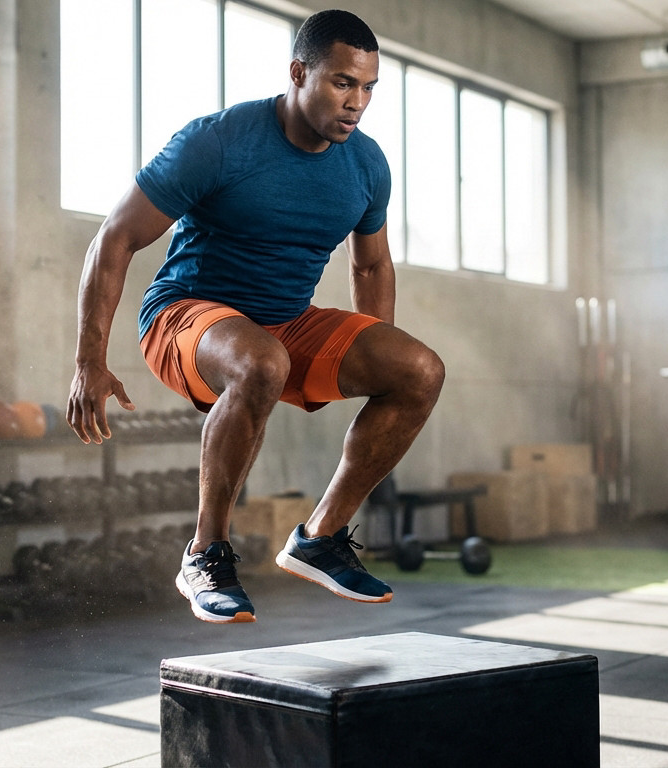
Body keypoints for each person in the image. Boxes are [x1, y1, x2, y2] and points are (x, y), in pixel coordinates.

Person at [66, 9, 444, 624]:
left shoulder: (367, 165)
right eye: (343, 82)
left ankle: (321, 537)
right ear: (299, 73)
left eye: (369, 87)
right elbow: (114, 239)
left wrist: (376, 355)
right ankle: (204, 554)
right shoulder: (217, 141)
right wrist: (89, 362)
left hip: (285, 324)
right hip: (183, 317)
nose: (358, 103)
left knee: (420, 370)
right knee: (261, 361)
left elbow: (371, 268)